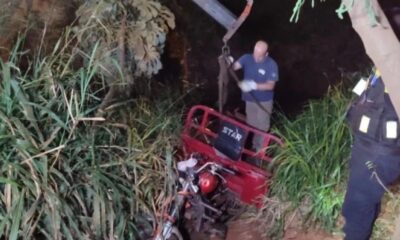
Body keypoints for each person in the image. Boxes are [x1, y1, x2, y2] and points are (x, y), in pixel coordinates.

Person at [343, 69, 400, 240]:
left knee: (357, 207)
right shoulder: (384, 65)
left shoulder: (394, 65)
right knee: (365, 203)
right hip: (370, 149)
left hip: (378, 153)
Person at [231, 40, 279, 149]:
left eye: (260, 56)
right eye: (255, 54)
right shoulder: (247, 58)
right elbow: (234, 67)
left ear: (266, 54)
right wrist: (228, 61)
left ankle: (259, 153)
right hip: (249, 100)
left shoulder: (271, 64)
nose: (256, 58)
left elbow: (271, 85)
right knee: (251, 125)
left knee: (262, 128)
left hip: (264, 101)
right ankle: (251, 148)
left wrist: (253, 85)